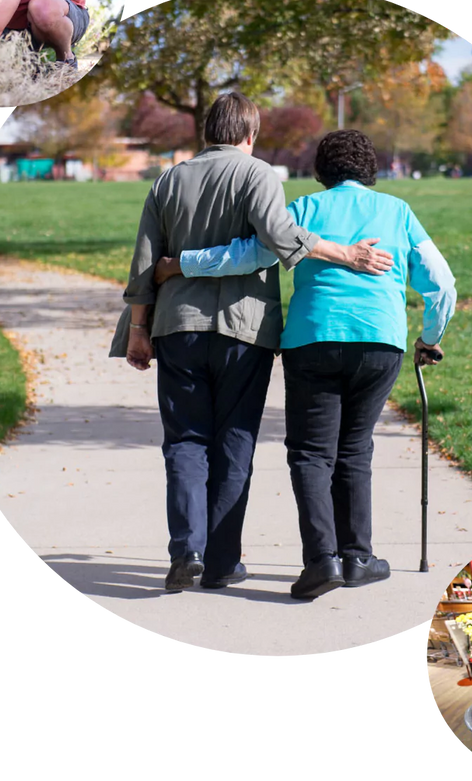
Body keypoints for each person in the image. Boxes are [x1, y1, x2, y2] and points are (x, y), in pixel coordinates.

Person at [156, 129, 456, 599]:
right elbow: (442, 283)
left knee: (312, 454)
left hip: (311, 341)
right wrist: (429, 339)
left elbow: (245, 257)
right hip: (380, 341)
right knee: (355, 448)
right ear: (370, 169)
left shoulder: (302, 210)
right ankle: (357, 558)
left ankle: (321, 561)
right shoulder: (398, 212)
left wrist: (182, 264)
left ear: (320, 171)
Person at [112, 95, 394, 593]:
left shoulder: (168, 180)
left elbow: (145, 261)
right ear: (250, 135)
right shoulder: (258, 174)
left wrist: (138, 330)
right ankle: (221, 563)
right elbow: (280, 237)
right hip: (245, 332)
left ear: (206, 132)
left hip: (177, 326)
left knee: (184, 442)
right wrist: (346, 255)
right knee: (234, 443)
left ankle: (187, 552)